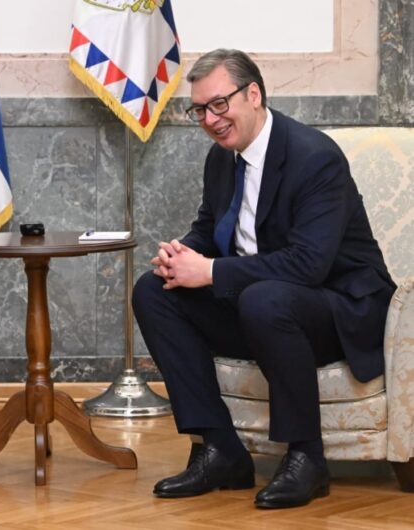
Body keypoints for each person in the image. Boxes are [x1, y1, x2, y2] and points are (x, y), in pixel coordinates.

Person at [132, 49, 395, 509]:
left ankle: (307, 458)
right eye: (199, 110)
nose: (210, 120)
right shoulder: (221, 160)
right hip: (264, 307)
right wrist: (182, 256)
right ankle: (220, 449)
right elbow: (211, 228)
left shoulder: (314, 158)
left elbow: (308, 265)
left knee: (263, 299)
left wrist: (210, 271)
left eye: (219, 104)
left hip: (338, 310)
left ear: (253, 94)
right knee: (153, 291)